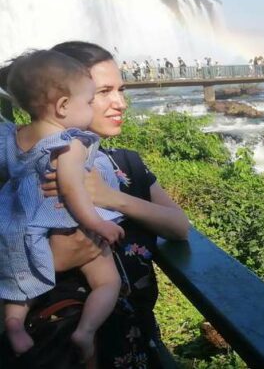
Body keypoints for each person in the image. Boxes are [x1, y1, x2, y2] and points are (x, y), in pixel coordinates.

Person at [0, 41, 189, 368]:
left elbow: (179, 227)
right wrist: (59, 258)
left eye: (121, 89)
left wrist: (109, 196)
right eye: (102, 92)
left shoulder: (126, 163)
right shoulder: (28, 172)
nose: (120, 103)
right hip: (57, 342)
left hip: (136, 340)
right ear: (62, 100)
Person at [0, 51, 126, 362]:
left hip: (17, 224)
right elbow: (72, 189)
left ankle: (14, 324)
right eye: (88, 101)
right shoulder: (70, 143)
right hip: (61, 221)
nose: (90, 108)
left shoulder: (14, 137)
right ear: (63, 106)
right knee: (108, 281)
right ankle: (86, 331)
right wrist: (98, 223)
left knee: (20, 280)